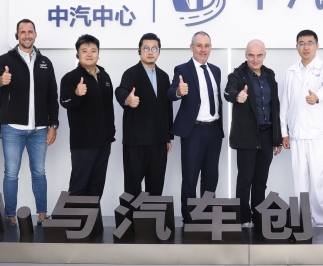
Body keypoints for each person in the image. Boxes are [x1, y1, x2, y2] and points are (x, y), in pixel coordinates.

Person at [0, 19, 59, 225]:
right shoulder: (5, 59)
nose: (27, 35)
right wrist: (1, 80)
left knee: (39, 172)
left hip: (40, 129)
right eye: (23, 32)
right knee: (11, 173)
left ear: (35, 34)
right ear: (17, 35)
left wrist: (53, 125)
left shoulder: (45, 62)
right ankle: (10, 216)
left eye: (30, 32)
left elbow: (52, 95)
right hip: (12, 127)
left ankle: (43, 215)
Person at [280, 29, 323, 227]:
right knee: (299, 182)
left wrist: (317, 96)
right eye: (301, 43)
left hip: (318, 134)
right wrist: (284, 133)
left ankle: (320, 222)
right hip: (296, 135)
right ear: (297, 47)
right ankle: (302, 221)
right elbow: (285, 103)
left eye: (310, 43)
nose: (306, 47)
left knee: (320, 181)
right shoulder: (291, 71)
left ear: (317, 46)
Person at [224, 39, 282, 228]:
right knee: (245, 179)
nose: (255, 59)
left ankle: (258, 218)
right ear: (245, 55)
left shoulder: (270, 75)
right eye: (251, 55)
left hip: (267, 135)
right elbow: (228, 91)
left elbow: (275, 107)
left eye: (259, 55)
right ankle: (243, 218)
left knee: (260, 180)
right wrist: (237, 96)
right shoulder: (237, 74)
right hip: (247, 135)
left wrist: (277, 138)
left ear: (265, 55)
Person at [168, 31, 224, 223]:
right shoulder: (182, 69)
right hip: (194, 131)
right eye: (199, 45)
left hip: (214, 130)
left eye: (206, 45)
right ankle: (189, 219)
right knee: (190, 177)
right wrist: (178, 91)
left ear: (210, 48)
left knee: (211, 177)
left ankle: (207, 216)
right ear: (191, 47)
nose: (203, 49)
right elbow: (170, 93)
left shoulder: (215, 70)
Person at [115, 33, 173, 196]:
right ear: (139, 50)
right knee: (132, 189)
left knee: (156, 188)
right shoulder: (131, 73)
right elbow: (120, 90)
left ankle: (153, 216)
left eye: (154, 48)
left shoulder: (164, 76)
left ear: (159, 51)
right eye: (146, 48)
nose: (150, 52)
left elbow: (167, 108)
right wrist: (127, 99)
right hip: (136, 142)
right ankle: (131, 215)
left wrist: (168, 137)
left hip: (159, 142)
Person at [60, 34, 116, 198]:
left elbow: (109, 108)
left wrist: (110, 134)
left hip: (104, 142)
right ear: (77, 54)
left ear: (98, 54)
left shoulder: (105, 77)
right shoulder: (70, 77)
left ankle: (93, 217)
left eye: (93, 50)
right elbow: (64, 101)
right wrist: (76, 93)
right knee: (78, 188)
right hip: (83, 144)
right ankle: (74, 217)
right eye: (84, 51)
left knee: (96, 188)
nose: (89, 54)